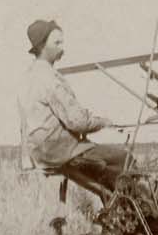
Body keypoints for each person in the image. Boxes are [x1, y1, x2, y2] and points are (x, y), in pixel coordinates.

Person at [17, 19, 133, 197]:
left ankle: (117, 209)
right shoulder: (50, 79)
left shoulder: (28, 77)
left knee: (109, 174)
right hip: (63, 151)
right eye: (57, 43)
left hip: (41, 153)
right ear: (41, 46)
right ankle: (138, 219)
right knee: (126, 161)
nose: (62, 48)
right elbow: (77, 122)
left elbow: (24, 125)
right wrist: (104, 123)